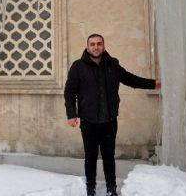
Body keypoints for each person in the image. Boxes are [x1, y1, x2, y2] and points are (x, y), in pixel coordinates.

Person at [64, 33, 161, 196]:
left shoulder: (113, 65)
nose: (96, 47)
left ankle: (111, 188)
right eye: (92, 44)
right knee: (91, 156)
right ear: (88, 47)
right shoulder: (78, 67)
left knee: (109, 156)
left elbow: (131, 80)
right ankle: (91, 188)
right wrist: (71, 114)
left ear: (104, 45)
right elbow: (69, 92)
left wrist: (153, 84)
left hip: (109, 120)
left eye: (99, 44)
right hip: (88, 120)